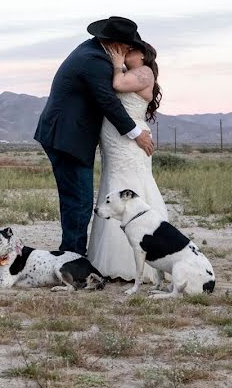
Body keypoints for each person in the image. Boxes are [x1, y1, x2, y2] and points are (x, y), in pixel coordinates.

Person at [34, 16, 154, 256]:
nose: (130, 51)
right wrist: (135, 133)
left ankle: (72, 253)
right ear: (117, 44)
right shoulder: (94, 60)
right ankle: (73, 257)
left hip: (68, 135)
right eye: (128, 46)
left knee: (76, 199)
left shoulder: (91, 52)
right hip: (67, 137)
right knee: (78, 200)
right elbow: (107, 101)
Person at [87, 40, 169, 284]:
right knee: (113, 187)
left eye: (130, 49)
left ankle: (135, 260)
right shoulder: (130, 72)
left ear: (143, 55)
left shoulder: (144, 73)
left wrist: (115, 64)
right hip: (115, 141)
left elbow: (117, 85)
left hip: (130, 142)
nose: (124, 52)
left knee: (131, 187)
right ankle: (109, 259)